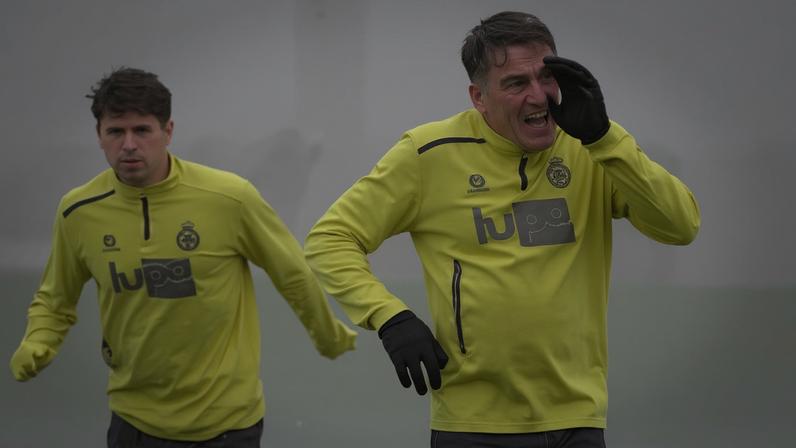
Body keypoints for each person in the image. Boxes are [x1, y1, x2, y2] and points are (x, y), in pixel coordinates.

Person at [304, 11, 700, 448]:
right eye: (516, 84)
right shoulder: (427, 153)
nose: (538, 97)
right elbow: (330, 240)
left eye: (546, 77)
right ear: (479, 96)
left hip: (578, 417)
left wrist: (604, 138)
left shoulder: (593, 144)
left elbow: (680, 226)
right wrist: (389, 317)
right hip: (473, 425)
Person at [9, 67, 357, 447]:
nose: (128, 144)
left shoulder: (230, 198)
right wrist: (38, 340)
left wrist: (327, 333)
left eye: (142, 130)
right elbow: (56, 298)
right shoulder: (78, 211)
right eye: (115, 131)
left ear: (168, 132)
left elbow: (291, 273)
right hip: (134, 420)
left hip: (227, 424)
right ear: (99, 136)